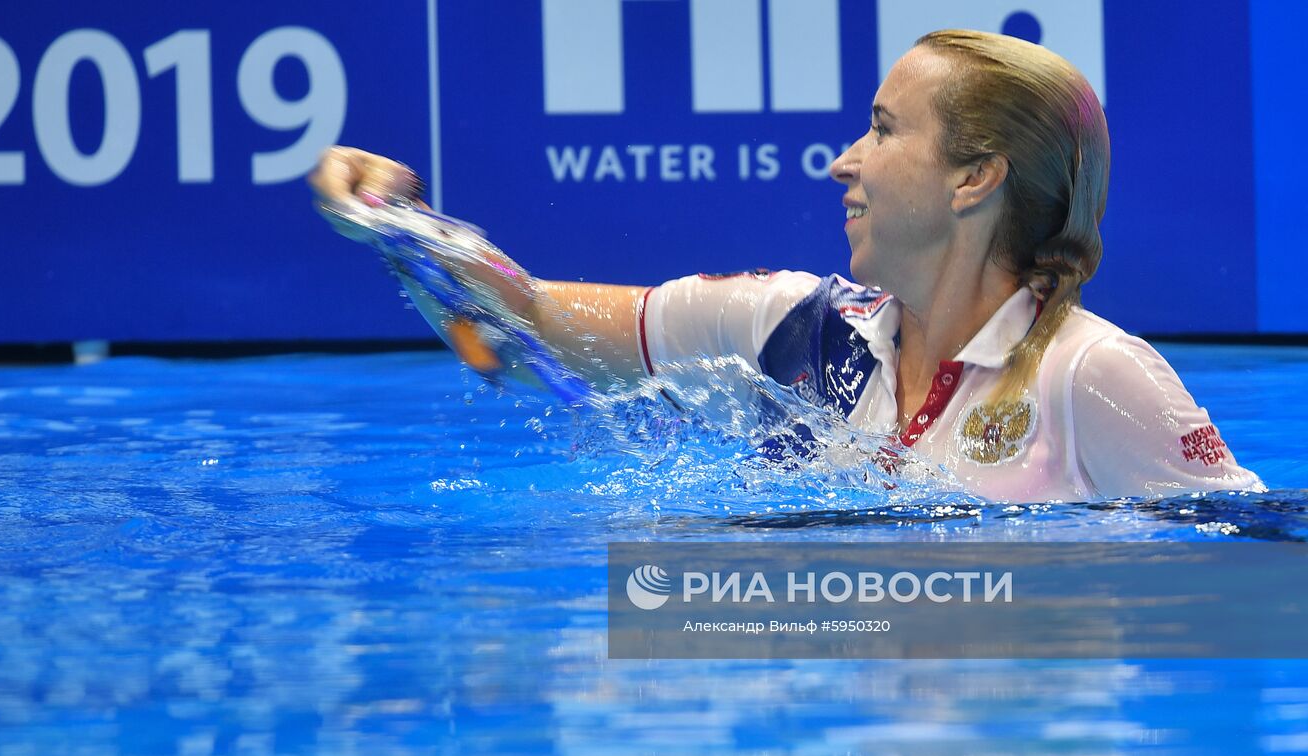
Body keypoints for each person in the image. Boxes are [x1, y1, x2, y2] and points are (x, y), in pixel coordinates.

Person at [310, 29, 1262, 503]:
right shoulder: (790, 329)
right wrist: (397, 224)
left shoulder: (1090, 375)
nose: (845, 160)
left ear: (976, 177)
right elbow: (530, 331)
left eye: (884, 130)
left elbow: (1256, 594)